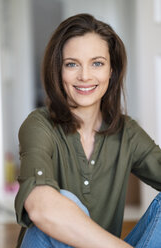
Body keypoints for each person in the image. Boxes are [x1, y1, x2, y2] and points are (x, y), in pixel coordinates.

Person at [15, 13, 161, 248]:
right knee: (61, 200)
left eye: (97, 63)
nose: (84, 76)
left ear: (111, 71)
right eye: (72, 64)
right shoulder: (38, 124)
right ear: (58, 70)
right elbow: (39, 206)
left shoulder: (127, 132)